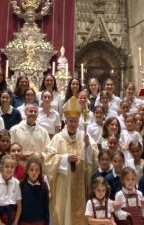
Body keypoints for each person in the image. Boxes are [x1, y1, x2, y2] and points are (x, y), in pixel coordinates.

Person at [45, 95, 96, 225]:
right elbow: (48, 160)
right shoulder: (58, 138)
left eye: (75, 121)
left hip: (81, 185)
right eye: (70, 121)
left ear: (78, 121)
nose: (73, 124)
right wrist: (64, 158)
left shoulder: (85, 137)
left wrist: (88, 146)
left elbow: (95, 158)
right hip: (64, 185)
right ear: (66, 121)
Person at [0, 154, 22, 225]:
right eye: (6, 166)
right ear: (1, 167)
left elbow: (19, 204)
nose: (9, 169)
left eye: (12, 167)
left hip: (12, 216)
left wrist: (16, 221)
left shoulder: (17, 183)